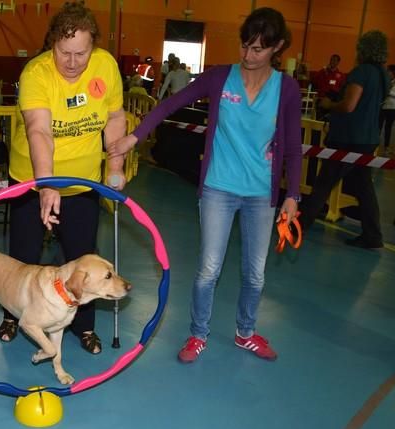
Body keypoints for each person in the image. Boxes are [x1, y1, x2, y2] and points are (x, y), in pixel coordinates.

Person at [108, 7, 302, 363]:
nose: (249, 55)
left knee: (255, 275)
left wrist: (292, 195)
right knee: (209, 269)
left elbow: (292, 145)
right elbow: (170, 104)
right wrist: (135, 137)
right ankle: (198, 335)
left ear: (278, 48)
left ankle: (246, 333)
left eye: (259, 49)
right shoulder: (220, 77)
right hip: (218, 189)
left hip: (261, 194)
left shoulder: (286, 88)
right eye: (245, 45)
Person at [0, 1, 127, 355]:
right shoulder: (36, 74)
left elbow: (116, 117)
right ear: (52, 43)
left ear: (94, 47)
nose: (72, 62)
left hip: (84, 181)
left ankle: (83, 327)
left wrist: (114, 167)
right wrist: (47, 185)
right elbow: (40, 131)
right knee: (23, 258)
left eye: (80, 54)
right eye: (63, 52)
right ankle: (13, 314)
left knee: (85, 259)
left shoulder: (106, 66)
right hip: (31, 178)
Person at [299, 31, 390, 249]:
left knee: (324, 182)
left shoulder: (361, 72)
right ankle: (373, 234)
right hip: (368, 138)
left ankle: (300, 225)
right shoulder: (383, 75)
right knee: (363, 187)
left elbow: (349, 105)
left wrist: (329, 105)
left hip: (348, 139)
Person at [379, 64, 395, 154]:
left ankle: (386, 147)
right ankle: (375, 145)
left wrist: (389, 92)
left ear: (393, 71)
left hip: (393, 108)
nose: (387, 72)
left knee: (388, 127)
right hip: (383, 106)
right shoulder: (386, 81)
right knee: (379, 126)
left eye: (388, 70)